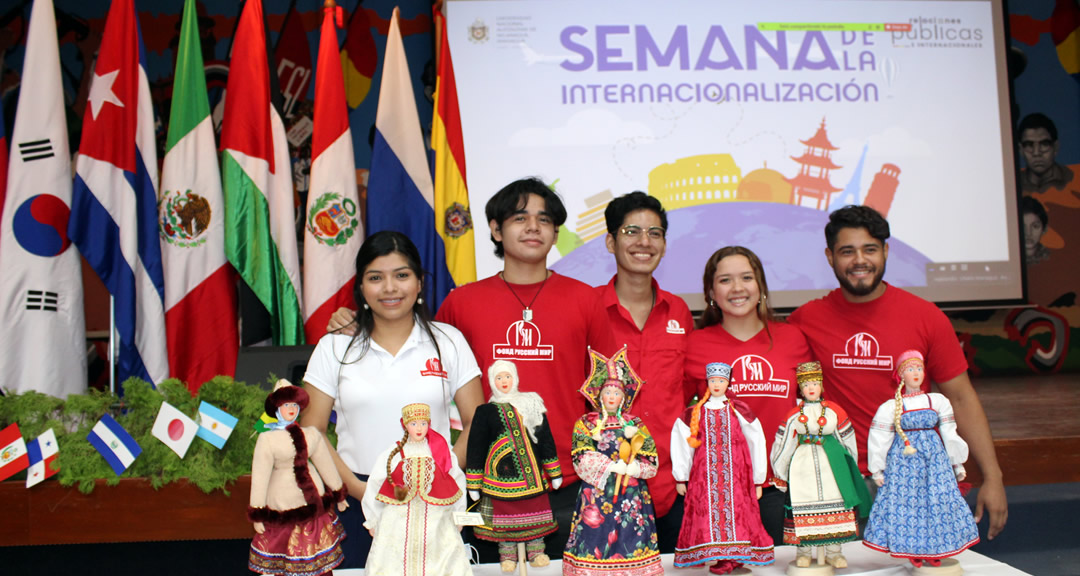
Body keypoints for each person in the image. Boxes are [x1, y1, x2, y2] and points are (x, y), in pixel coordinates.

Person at [787, 205, 1008, 540]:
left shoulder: (926, 317)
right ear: (830, 257)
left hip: (916, 479)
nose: (859, 260)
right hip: (839, 484)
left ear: (886, 251)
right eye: (847, 251)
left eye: (870, 249)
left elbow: (961, 398)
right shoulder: (806, 321)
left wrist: (993, 476)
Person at [434, 177, 617, 558]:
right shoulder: (460, 303)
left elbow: (607, 389)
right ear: (496, 230)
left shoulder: (585, 299)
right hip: (485, 482)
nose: (534, 226)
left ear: (555, 233)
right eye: (520, 217)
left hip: (566, 481)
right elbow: (433, 382)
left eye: (545, 219)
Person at [301, 231, 483, 568]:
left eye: (401, 275)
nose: (389, 288)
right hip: (354, 502)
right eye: (375, 278)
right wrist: (358, 489)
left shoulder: (449, 341)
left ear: (418, 284)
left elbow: (477, 420)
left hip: (436, 500)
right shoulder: (335, 347)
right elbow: (311, 431)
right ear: (361, 288)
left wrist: (445, 475)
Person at [683, 245, 811, 545]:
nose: (737, 288)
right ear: (711, 292)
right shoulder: (694, 344)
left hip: (784, 489)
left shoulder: (793, 338)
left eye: (747, 278)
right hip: (721, 492)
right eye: (725, 280)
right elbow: (682, 418)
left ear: (761, 287)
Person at [596, 191, 693, 552]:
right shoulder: (588, 309)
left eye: (655, 233)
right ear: (610, 241)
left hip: (672, 487)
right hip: (606, 488)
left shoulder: (679, 312)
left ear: (665, 245)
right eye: (631, 231)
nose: (643, 242)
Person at [863, 351, 980, 567]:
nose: (915, 373)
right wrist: (877, 469)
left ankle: (936, 548)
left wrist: (957, 462)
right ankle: (911, 548)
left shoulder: (937, 401)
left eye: (919, 368)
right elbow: (879, 439)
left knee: (937, 501)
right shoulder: (891, 407)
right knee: (907, 504)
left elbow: (949, 432)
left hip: (934, 461)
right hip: (904, 463)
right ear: (900, 375)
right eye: (910, 369)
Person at [563, 347, 663, 576]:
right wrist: (608, 465)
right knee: (596, 534)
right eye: (607, 393)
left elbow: (650, 454)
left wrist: (637, 467)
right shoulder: (586, 423)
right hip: (597, 490)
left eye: (616, 394)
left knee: (632, 534)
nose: (611, 397)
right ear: (598, 396)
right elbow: (579, 453)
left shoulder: (634, 423)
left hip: (631, 492)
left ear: (623, 398)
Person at [671, 362, 775, 575]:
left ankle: (735, 558)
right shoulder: (694, 413)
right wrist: (681, 477)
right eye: (713, 381)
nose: (717, 384)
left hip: (736, 476)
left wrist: (758, 479)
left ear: (727, 382)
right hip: (704, 478)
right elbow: (682, 444)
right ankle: (719, 558)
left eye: (721, 380)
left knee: (738, 513)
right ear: (707, 383)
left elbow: (757, 441)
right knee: (708, 515)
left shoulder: (739, 410)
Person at [770, 362, 869, 569]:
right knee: (801, 504)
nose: (811, 388)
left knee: (835, 501)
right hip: (802, 464)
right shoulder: (794, 415)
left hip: (832, 464)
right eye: (807, 385)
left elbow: (847, 439)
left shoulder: (834, 411)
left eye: (815, 383)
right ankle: (804, 551)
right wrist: (780, 470)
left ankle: (834, 552)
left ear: (822, 385)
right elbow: (783, 443)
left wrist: (850, 464)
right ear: (801, 388)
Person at [466, 360, 562, 572]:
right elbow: (476, 447)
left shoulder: (531, 403)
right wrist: (473, 483)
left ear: (515, 378)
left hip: (532, 478)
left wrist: (554, 471)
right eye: (498, 378)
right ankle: (507, 555)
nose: (503, 382)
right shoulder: (485, 412)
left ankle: (536, 551)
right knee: (504, 520)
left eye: (507, 377)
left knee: (535, 513)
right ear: (492, 382)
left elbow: (544, 438)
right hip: (499, 479)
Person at [248, 380, 348, 576]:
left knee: (318, 557)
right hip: (283, 503)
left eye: (294, 405)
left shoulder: (310, 434)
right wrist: (258, 511)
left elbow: (325, 463)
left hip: (314, 506)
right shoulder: (267, 439)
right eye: (286, 405)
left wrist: (338, 492)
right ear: (277, 408)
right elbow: (260, 476)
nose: (291, 409)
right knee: (283, 554)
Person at [363, 403, 472, 576]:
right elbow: (375, 484)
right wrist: (372, 518)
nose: (419, 428)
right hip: (397, 521)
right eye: (414, 424)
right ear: (405, 425)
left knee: (442, 556)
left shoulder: (441, 451)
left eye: (423, 423)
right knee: (392, 560)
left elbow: (458, 480)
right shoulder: (394, 452)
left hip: (437, 520)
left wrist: (458, 515)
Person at [1017, 112, 1073, 194]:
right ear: (1021, 149)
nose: (1036, 153)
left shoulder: (1074, 179)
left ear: (1056, 147)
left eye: (1044, 144)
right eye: (1029, 145)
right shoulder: (1011, 183)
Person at [1021, 195, 1050, 264]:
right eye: (1022, 227)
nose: (1028, 233)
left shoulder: (1052, 259)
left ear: (1044, 229)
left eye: (1035, 226)